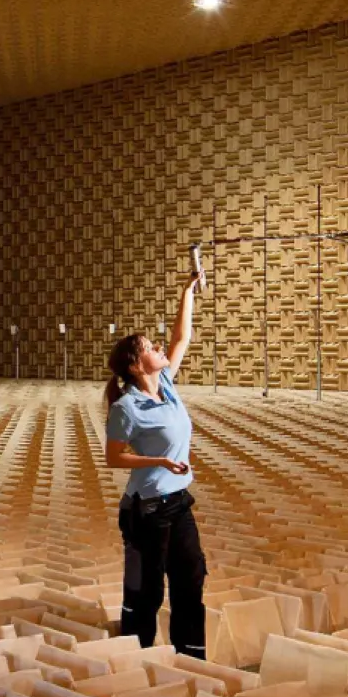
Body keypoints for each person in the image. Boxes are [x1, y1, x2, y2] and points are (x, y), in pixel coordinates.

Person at [104, 256, 205, 659]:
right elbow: (114, 459)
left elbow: (182, 337)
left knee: (190, 580)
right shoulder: (125, 407)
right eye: (150, 348)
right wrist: (160, 463)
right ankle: (137, 656)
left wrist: (187, 292)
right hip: (145, 511)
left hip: (179, 504)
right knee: (146, 591)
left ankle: (191, 656)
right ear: (134, 364)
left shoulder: (165, 382)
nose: (160, 349)